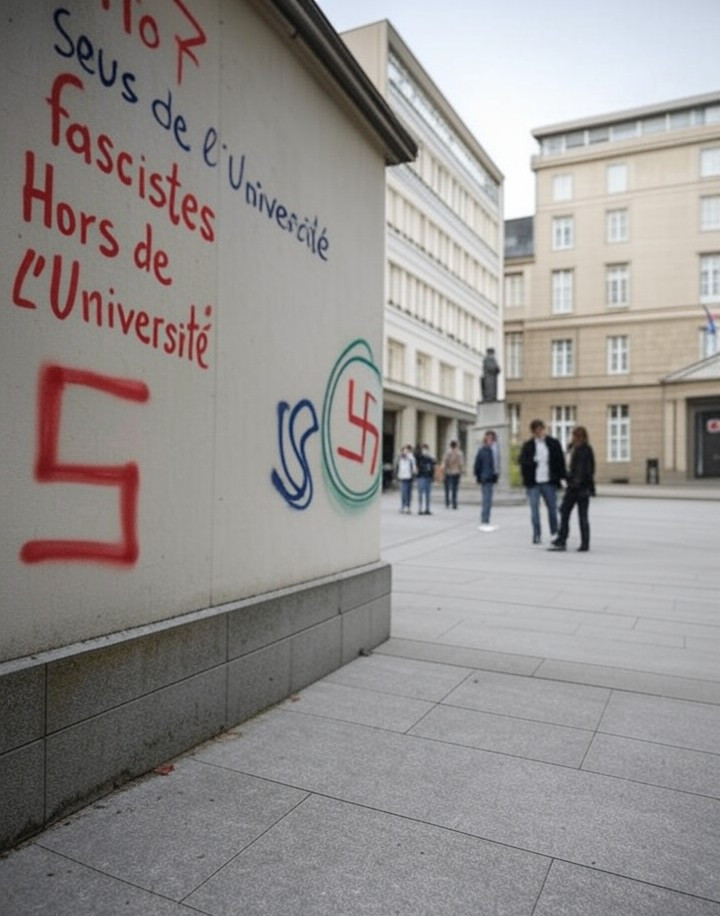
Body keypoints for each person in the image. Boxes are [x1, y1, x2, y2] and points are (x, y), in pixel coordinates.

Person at [548, 426, 596, 552]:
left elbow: (586, 470)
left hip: (578, 488)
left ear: (580, 437)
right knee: (569, 512)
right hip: (578, 486)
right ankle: (568, 540)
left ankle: (568, 541)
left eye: (575, 436)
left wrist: (573, 482)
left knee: (573, 514)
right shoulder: (574, 448)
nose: (573, 438)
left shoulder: (584, 450)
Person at [518, 419, 566, 544]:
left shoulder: (553, 443)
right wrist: (532, 463)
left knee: (552, 509)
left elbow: (560, 461)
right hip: (534, 482)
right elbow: (522, 463)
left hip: (549, 481)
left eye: (541, 429)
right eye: (537, 430)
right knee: (534, 510)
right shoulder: (528, 445)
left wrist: (562, 478)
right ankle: (537, 534)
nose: (539, 432)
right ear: (533, 432)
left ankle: (554, 533)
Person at [474, 430, 499, 531]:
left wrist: (496, 475)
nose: (490, 440)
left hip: (491, 477)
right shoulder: (483, 450)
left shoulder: (495, 449)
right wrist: (478, 476)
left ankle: (486, 519)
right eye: (488, 438)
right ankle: (485, 520)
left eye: (491, 438)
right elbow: (477, 465)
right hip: (485, 477)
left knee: (488, 499)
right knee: (487, 499)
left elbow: (496, 464)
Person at [442, 440, 464, 509]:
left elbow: (444, 462)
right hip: (456, 472)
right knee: (455, 488)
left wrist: (443, 472)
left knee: (447, 488)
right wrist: (461, 471)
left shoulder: (447, 453)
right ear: (456, 445)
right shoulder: (459, 453)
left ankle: (447, 502)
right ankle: (454, 503)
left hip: (448, 472)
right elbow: (461, 463)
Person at [415, 444, 436, 515]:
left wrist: (432, 477)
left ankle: (427, 509)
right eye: (424, 449)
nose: (425, 451)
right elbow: (416, 459)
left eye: (426, 449)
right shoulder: (419, 457)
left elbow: (433, 466)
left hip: (428, 477)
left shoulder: (430, 458)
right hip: (421, 477)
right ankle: (420, 508)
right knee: (420, 493)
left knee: (428, 494)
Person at [396, 445, 416, 514]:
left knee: (408, 493)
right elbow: (399, 467)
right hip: (402, 477)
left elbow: (414, 467)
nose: (405, 451)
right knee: (403, 493)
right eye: (404, 450)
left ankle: (407, 506)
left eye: (407, 450)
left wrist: (414, 474)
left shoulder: (411, 458)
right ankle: (403, 506)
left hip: (409, 477)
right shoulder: (400, 458)